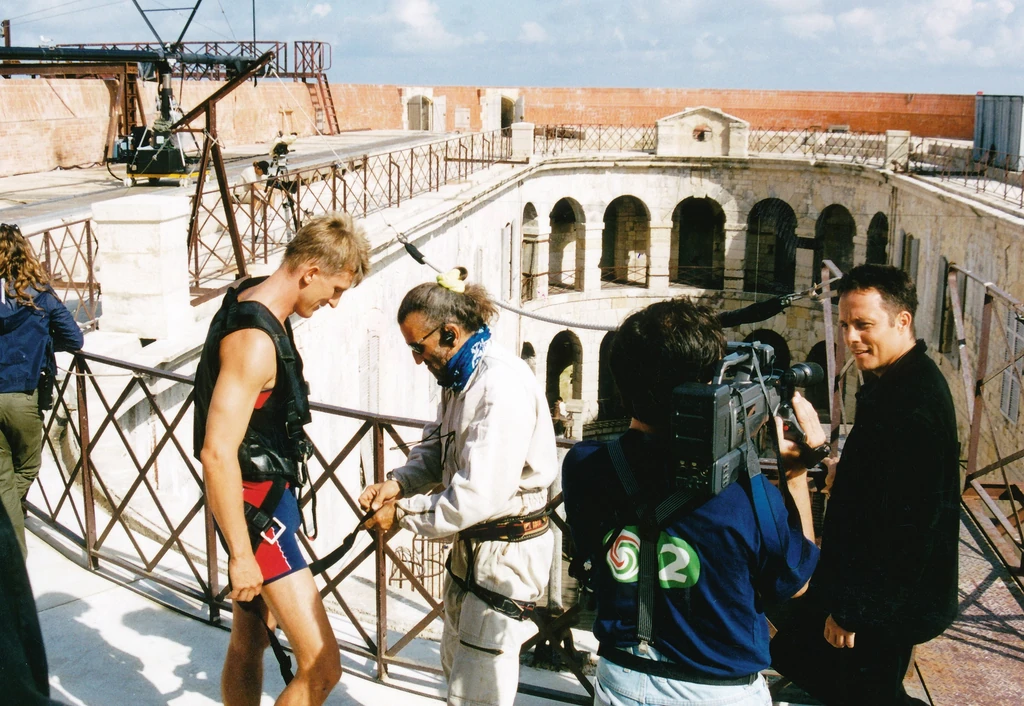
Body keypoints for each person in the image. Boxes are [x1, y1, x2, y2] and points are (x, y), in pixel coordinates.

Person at [562, 297, 822, 706]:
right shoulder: (747, 496)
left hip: (621, 680)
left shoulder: (584, 466)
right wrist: (796, 476)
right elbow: (797, 582)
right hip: (716, 692)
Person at [193, 212, 370, 706]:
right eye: (334, 289)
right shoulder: (254, 344)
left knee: (248, 643)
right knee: (321, 667)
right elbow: (216, 452)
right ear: (309, 271)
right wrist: (242, 555)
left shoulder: (249, 296)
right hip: (258, 514)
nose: (333, 302)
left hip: (264, 502)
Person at [358, 268, 557, 706]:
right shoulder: (460, 375)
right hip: (474, 551)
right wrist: (398, 483)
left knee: (478, 690)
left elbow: (476, 494)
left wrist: (403, 515)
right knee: (456, 671)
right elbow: (436, 445)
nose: (415, 359)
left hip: (504, 556)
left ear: (449, 332)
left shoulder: (497, 384)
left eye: (418, 346)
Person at [770, 264, 960, 706]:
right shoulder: (898, 381)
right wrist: (829, 458)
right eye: (844, 325)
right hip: (882, 592)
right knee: (803, 655)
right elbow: (883, 481)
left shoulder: (911, 405)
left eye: (863, 325)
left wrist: (851, 612)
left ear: (902, 321)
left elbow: (908, 531)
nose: (851, 338)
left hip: (888, 602)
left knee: (853, 688)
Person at [0, 222, 84, 557]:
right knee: (27, 467)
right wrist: (43, 339)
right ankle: (11, 542)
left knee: (4, 473)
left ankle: (11, 540)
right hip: (22, 394)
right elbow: (75, 339)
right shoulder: (40, 297)